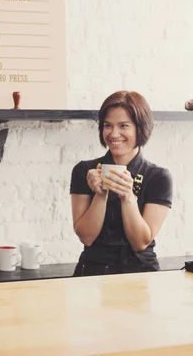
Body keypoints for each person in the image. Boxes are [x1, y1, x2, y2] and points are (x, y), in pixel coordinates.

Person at [70, 91, 173, 276]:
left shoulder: (158, 177)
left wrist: (128, 198)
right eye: (107, 125)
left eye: (123, 125)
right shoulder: (84, 170)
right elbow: (86, 237)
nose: (114, 134)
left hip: (140, 273)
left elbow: (141, 242)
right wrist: (100, 195)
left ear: (140, 128)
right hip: (92, 272)